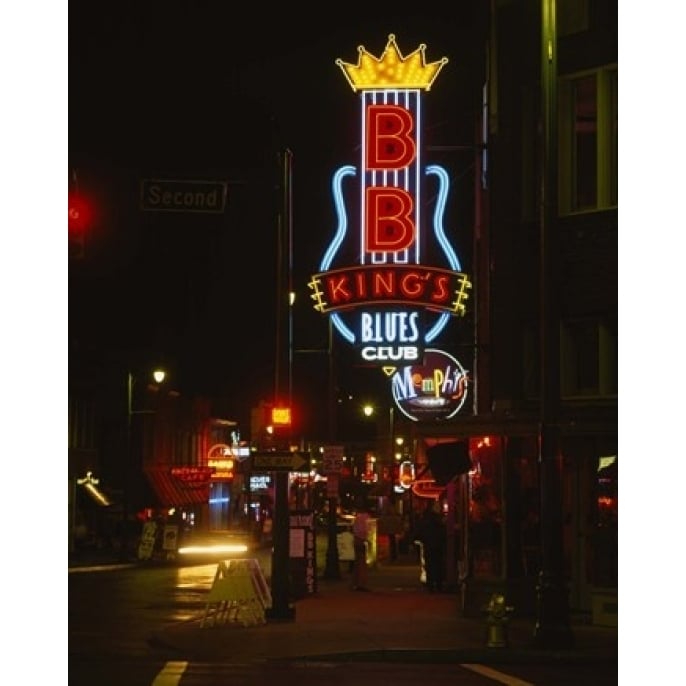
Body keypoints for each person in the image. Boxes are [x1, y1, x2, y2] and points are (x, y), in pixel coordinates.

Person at [415, 501, 446, 592]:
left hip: (428, 544)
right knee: (438, 564)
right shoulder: (438, 519)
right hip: (437, 545)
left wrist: (419, 539)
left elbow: (420, 531)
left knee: (430, 565)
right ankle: (438, 584)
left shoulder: (425, 519)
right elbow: (442, 531)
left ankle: (431, 585)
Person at [351, 502, 370, 591]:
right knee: (362, 562)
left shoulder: (358, 518)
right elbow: (365, 530)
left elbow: (356, 529)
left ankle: (356, 582)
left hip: (357, 539)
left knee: (358, 562)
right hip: (361, 540)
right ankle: (361, 583)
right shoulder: (365, 518)